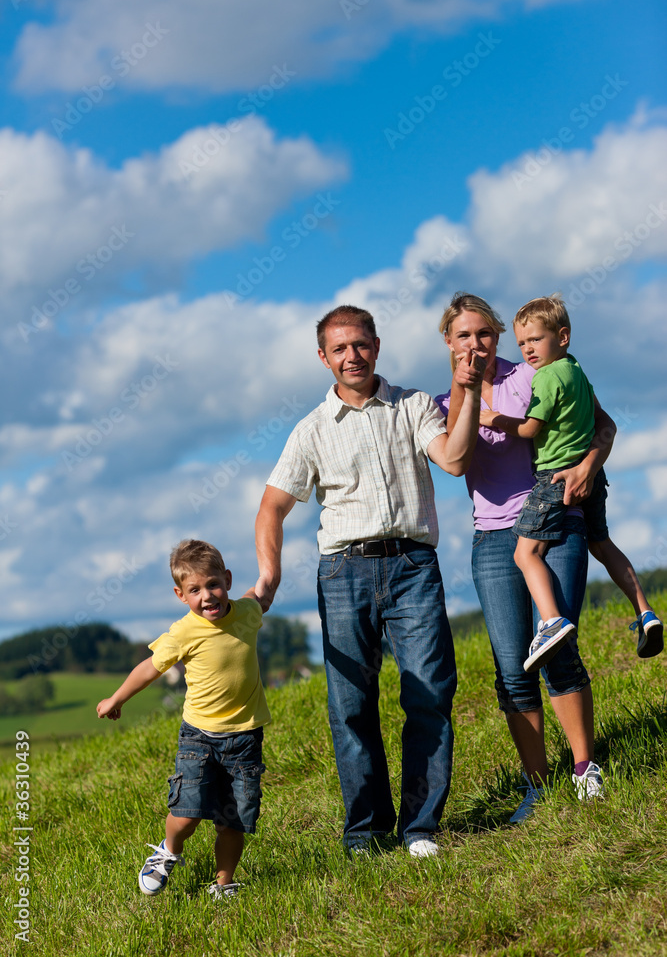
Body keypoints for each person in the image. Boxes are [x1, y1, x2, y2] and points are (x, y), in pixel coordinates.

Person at [254, 304, 484, 857]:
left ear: (376, 346)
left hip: (412, 567)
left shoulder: (414, 406)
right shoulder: (310, 430)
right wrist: (269, 575)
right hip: (342, 572)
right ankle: (367, 833)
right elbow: (270, 508)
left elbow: (453, 461)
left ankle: (421, 827)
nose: (351, 356)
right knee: (350, 705)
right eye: (339, 349)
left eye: (360, 345)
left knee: (429, 691)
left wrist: (468, 389)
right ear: (323, 358)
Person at [438, 293, 614, 816]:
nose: (476, 344)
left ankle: (585, 768)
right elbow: (455, 459)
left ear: (498, 336)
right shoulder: (443, 403)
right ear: (449, 343)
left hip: (556, 521)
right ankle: (537, 785)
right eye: (464, 336)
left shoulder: (536, 373)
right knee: (512, 667)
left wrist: (589, 467)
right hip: (493, 539)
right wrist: (467, 393)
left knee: (557, 648)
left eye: (484, 333)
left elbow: (601, 425)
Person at [480, 294, 663, 672]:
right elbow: (602, 421)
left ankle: (550, 620)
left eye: (536, 339)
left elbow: (530, 428)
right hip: (593, 477)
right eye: (522, 343)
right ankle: (645, 611)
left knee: (525, 553)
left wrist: (492, 418)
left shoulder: (547, 377)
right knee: (602, 541)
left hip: (555, 477)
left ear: (562, 336)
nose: (528, 349)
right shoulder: (576, 368)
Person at [96, 539, 269, 900]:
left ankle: (223, 885)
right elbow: (150, 668)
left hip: (245, 738)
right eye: (195, 590)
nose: (207, 595)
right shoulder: (184, 632)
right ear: (181, 595)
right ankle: (169, 852)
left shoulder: (248, 614)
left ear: (228, 580)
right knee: (187, 813)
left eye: (214, 584)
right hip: (199, 738)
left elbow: (263, 590)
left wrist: (272, 561)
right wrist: (116, 697)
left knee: (232, 821)